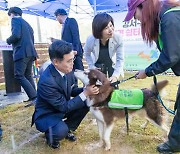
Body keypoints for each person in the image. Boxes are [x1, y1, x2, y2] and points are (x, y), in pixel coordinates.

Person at [124, 0, 180, 153]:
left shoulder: (169, 18)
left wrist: (147, 72)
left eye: (135, 15)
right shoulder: (164, 17)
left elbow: (170, 56)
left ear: (143, 7)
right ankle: (174, 143)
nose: (137, 20)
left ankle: (174, 144)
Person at [31, 40, 99, 149]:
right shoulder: (47, 82)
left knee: (87, 101)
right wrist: (86, 93)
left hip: (61, 107)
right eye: (69, 61)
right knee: (60, 131)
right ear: (56, 62)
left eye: (73, 59)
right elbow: (64, 107)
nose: (72, 63)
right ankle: (52, 136)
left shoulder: (66, 69)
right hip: (48, 114)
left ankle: (68, 128)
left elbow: (72, 89)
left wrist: (86, 89)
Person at [6, 7, 38, 106]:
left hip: (21, 52)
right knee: (28, 75)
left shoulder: (15, 20)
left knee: (19, 75)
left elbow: (16, 35)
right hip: (30, 52)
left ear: (12, 13)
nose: (10, 17)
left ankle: (34, 97)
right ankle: (35, 97)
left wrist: (8, 40)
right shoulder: (27, 23)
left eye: (10, 15)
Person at [84, 13, 124, 83]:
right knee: (97, 89)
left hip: (112, 66)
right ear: (98, 30)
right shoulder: (90, 39)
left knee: (113, 88)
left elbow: (120, 59)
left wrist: (115, 76)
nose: (110, 30)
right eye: (106, 28)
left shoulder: (118, 38)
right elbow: (86, 54)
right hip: (97, 67)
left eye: (111, 26)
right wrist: (92, 67)